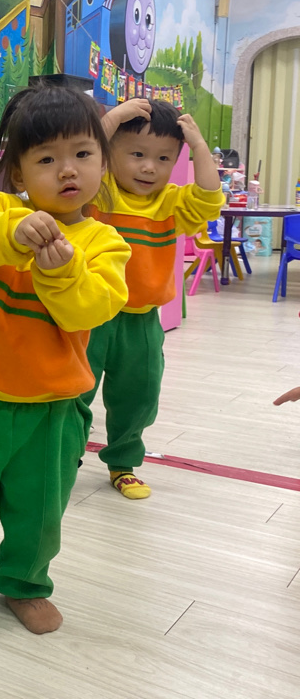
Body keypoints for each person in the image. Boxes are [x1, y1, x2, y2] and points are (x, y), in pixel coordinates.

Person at [0, 84, 130, 635]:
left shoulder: (105, 243)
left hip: (53, 412)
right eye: (46, 159)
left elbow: (89, 309)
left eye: (82, 154)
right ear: (18, 174)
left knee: (39, 513)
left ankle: (24, 584)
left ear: (103, 164)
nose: (68, 170)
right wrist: (13, 235)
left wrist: (61, 270)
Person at [80, 98, 223, 499]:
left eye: (163, 158)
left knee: (139, 396)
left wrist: (199, 147)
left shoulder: (171, 203)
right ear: (110, 153)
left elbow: (210, 196)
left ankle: (122, 463)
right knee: (74, 391)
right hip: (88, 315)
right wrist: (110, 120)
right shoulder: (99, 191)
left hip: (142, 321)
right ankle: (62, 455)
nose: (149, 167)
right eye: (137, 154)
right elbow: (84, 158)